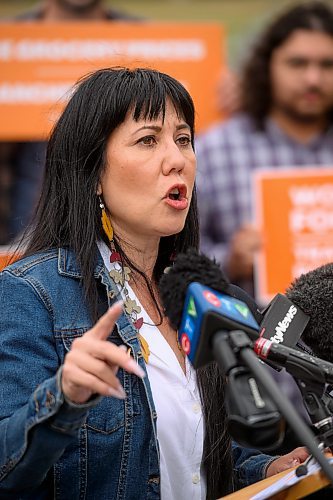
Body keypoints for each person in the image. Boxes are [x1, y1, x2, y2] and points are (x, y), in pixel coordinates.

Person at [0, 67, 307, 499]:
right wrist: (63, 397)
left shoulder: (196, 295)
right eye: (148, 140)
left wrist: (271, 469)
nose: (177, 158)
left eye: (183, 139)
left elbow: (187, 461)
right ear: (92, 173)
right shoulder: (32, 293)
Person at [196, 0, 333, 297]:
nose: (313, 78)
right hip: (250, 331)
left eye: (327, 65)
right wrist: (229, 260)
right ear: (267, 65)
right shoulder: (214, 150)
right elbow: (173, 256)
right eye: (297, 63)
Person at [0, 0, 140, 244]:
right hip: (18, 237)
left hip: (122, 238)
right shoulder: (8, 43)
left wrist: (225, 99)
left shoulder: (150, 42)